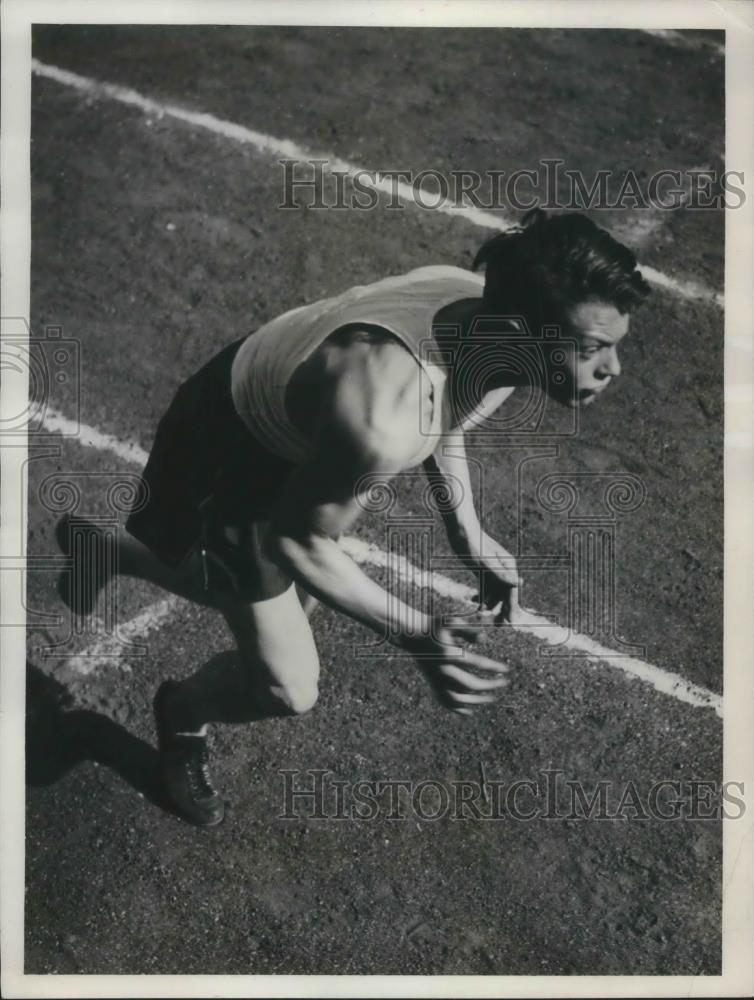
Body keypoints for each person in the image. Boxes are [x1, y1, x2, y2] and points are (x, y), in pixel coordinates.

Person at [56, 208, 650, 826]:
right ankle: (181, 716)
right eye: (593, 350)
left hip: (309, 439)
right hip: (229, 452)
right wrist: (417, 635)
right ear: (518, 332)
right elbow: (297, 538)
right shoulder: (383, 415)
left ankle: (108, 550)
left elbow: (447, 409)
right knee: (288, 685)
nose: (613, 369)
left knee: (276, 602)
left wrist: (467, 534)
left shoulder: (487, 316)